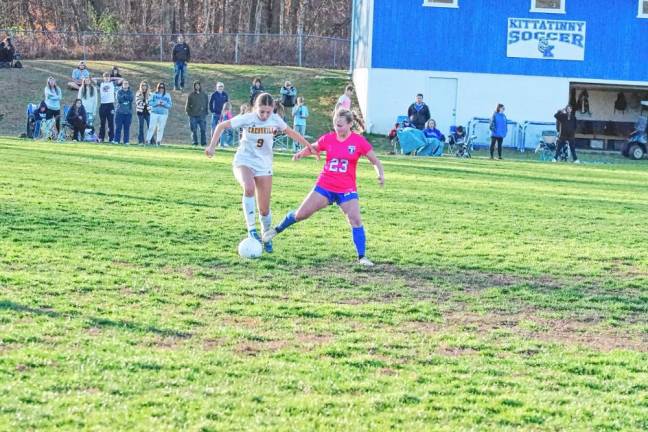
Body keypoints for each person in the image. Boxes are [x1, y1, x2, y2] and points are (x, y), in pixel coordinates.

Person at [263, 109, 385, 267]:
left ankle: (362, 257)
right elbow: (314, 147)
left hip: (346, 188)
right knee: (301, 214)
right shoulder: (328, 138)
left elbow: (375, 161)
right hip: (325, 185)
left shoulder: (359, 141)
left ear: (350, 124)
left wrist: (380, 174)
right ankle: (276, 230)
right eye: (335, 124)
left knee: (355, 219)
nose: (337, 128)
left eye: (340, 125)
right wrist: (301, 153)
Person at [205, 93, 317, 253]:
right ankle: (251, 229)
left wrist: (309, 146)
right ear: (255, 108)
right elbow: (221, 126)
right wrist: (212, 147)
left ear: (273, 110)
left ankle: (266, 235)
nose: (264, 115)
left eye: (268, 112)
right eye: (261, 111)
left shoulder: (275, 120)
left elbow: (291, 132)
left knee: (264, 209)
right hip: (244, 161)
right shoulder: (247, 118)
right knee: (248, 187)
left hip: (264, 165)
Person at [185, 80, 209, 146]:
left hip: (202, 115)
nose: (197, 86)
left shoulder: (204, 95)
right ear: (194, 86)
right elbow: (187, 106)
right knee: (194, 130)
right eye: (196, 85)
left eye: (198, 85)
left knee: (203, 130)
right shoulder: (191, 95)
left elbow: (206, 104)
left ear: (200, 86)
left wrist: (205, 112)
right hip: (193, 116)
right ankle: (194, 143)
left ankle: (203, 143)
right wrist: (189, 113)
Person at [98, 72, 116, 143]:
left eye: (108, 77)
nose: (106, 78)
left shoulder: (112, 84)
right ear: (103, 78)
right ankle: (101, 137)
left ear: (110, 78)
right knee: (102, 123)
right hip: (103, 105)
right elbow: (92, 79)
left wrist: (112, 79)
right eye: (105, 77)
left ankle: (111, 138)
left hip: (110, 105)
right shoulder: (101, 84)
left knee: (111, 123)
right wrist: (101, 78)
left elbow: (121, 79)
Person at [114, 80, 133, 145]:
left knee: (126, 128)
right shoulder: (119, 92)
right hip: (119, 112)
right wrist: (125, 97)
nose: (125, 84)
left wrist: (124, 97)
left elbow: (131, 98)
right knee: (118, 127)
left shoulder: (130, 92)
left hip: (128, 113)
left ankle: (126, 141)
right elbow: (119, 100)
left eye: (126, 83)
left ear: (128, 85)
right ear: (122, 85)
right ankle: (116, 140)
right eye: (124, 83)